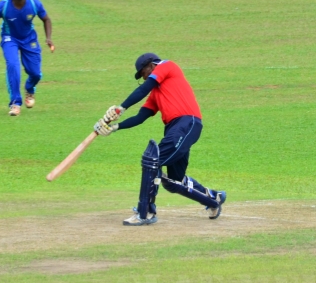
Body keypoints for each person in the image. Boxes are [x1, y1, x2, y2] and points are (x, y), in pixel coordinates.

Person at [94, 53, 226, 226]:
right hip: (175, 128)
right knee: (173, 182)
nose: (144, 77)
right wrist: (114, 127)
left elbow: (143, 89)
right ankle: (213, 198)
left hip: (187, 122)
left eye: (143, 73)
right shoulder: (156, 93)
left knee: (152, 161)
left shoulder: (167, 66)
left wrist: (120, 108)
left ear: (151, 65)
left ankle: (145, 212)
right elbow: (140, 117)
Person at [0, 0, 54, 116]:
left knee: (35, 73)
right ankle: (15, 103)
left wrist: (48, 38)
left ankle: (29, 88)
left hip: (29, 39)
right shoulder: (3, 5)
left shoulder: (34, 3)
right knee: (13, 65)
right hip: (10, 38)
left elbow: (46, 19)